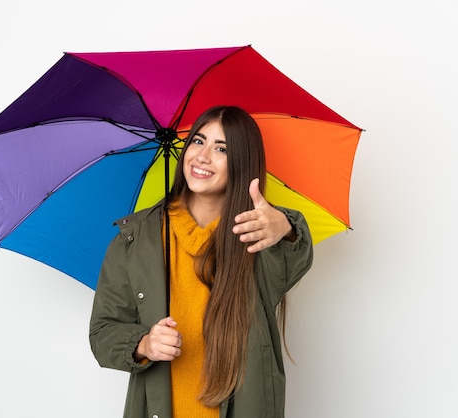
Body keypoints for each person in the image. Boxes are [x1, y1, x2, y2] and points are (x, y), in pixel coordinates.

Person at [89, 105, 313, 418]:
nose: (203, 156)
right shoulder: (134, 239)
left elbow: (294, 259)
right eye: (198, 141)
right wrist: (144, 344)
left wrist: (287, 226)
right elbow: (102, 333)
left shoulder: (259, 235)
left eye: (221, 148)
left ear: (242, 162)